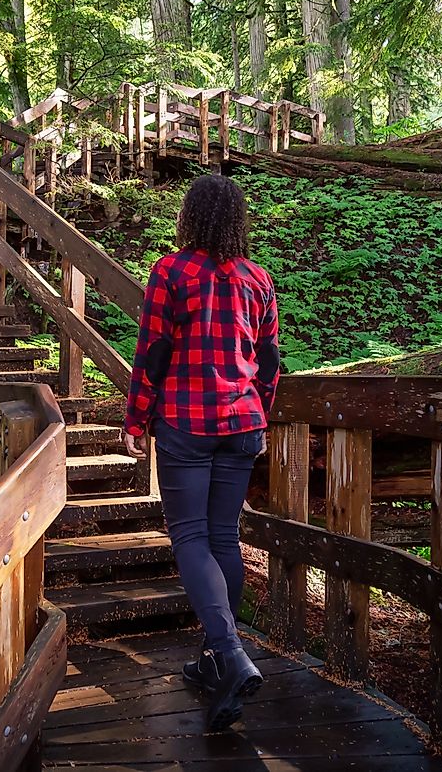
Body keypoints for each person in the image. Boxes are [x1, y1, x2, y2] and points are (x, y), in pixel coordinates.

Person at [121, 174, 281, 732]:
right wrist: (257, 409)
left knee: (190, 536)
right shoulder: (258, 280)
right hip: (241, 424)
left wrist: (137, 417)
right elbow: (269, 361)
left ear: (191, 217)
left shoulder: (171, 272)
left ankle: (231, 656)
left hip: (187, 422)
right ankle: (218, 656)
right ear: (237, 220)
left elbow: (154, 352)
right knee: (222, 538)